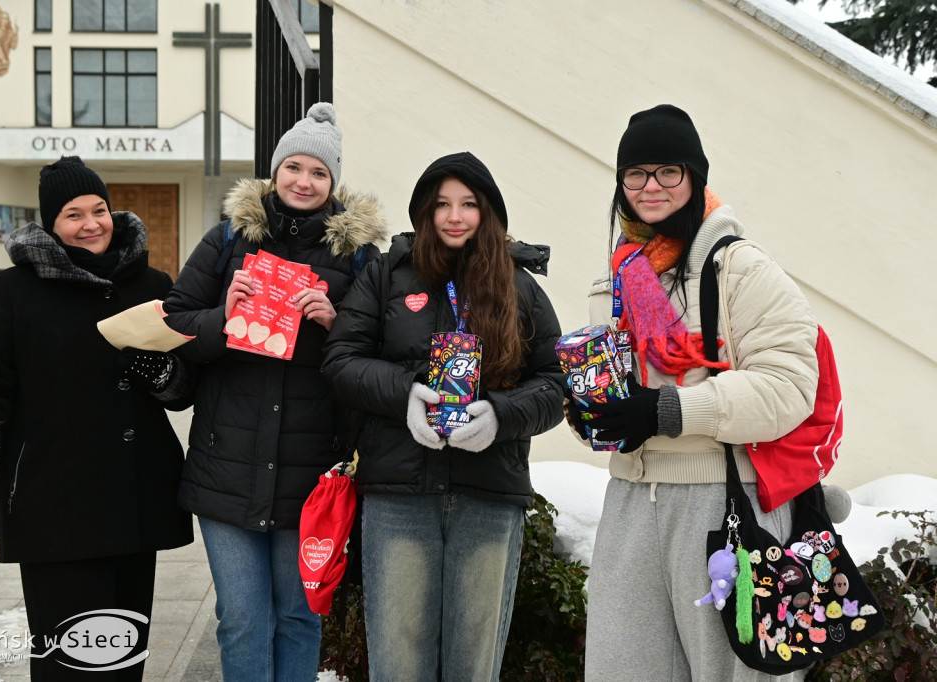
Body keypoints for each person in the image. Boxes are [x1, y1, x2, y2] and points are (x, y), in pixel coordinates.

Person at [579, 104, 819, 681]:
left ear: (695, 176)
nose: (650, 186)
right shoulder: (616, 278)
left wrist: (668, 410)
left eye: (668, 171)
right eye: (635, 173)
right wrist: (591, 408)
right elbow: (620, 387)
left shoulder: (740, 268)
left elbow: (790, 385)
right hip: (632, 501)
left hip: (724, 503)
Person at [160, 102, 386, 682]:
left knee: (298, 615)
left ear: (333, 184)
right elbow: (174, 321)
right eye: (294, 168)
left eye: (318, 173)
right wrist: (221, 316)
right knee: (241, 618)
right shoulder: (227, 240)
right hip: (225, 468)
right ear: (275, 171)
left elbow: (382, 351)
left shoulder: (359, 258)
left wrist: (337, 323)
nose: (303, 182)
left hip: (310, 473)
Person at [0, 156, 194, 680]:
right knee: (72, 664)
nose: (91, 224)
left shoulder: (152, 283)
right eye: (73, 214)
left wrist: (163, 373)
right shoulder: (11, 291)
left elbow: (184, 390)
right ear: (51, 225)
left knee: (123, 658)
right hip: (53, 507)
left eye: (99, 209)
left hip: (134, 504)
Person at [322, 151, 565, 681]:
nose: (455, 216)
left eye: (468, 204)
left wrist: (501, 415)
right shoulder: (387, 276)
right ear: (424, 212)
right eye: (441, 204)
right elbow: (340, 361)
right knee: (398, 658)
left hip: (489, 493)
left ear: (488, 212)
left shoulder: (521, 287)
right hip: (398, 494)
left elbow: (555, 383)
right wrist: (405, 393)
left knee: (472, 662)